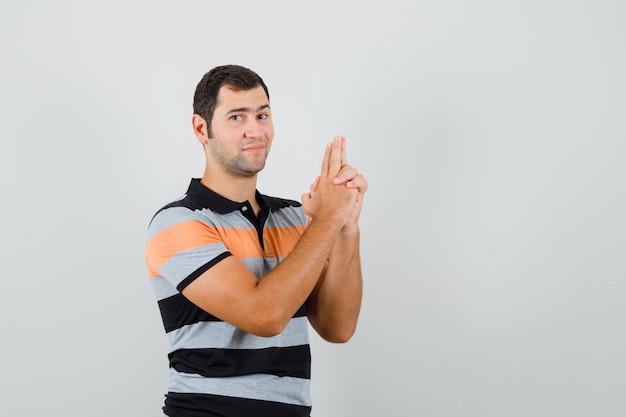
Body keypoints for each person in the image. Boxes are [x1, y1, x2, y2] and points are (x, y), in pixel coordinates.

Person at [145, 64, 367, 417]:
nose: (255, 130)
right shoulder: (177, 223)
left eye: (262, 115)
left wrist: (344, 227)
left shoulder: (296, 218)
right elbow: (265, 315)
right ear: (201, 129)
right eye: (237, 117)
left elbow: (338, 328)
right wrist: (325, 219)